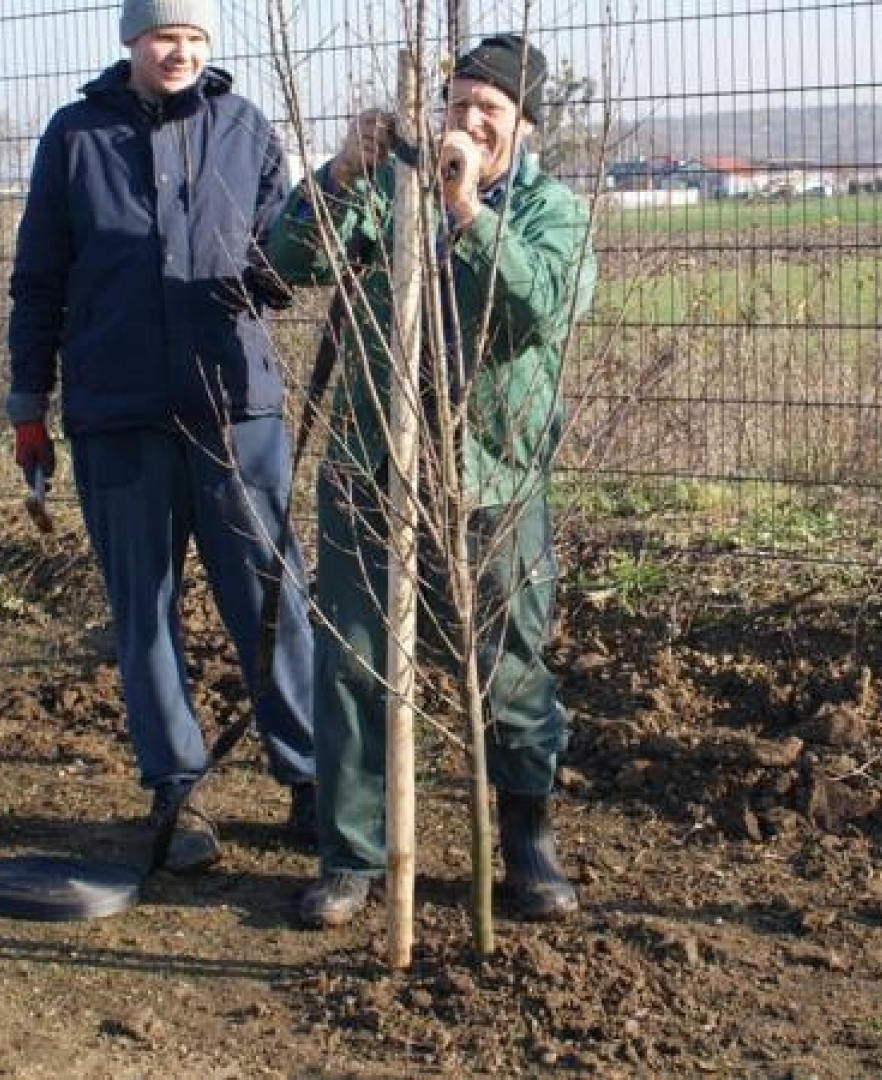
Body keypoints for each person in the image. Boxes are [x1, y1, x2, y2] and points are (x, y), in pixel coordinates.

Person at [265, 33, 597, 927]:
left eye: (491, 110)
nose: (470, 121)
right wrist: (340, 173)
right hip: (372, 465)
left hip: (494, 476)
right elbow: (276, 265)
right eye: (458, 105)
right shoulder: (388, 190)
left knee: (509, 669)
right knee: (353, 665)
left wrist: (466, 210)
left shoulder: (551, 213)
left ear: (524, 128)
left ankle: (525, 844)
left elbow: (538, 310)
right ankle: (351, 857)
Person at [5, 0, 317, 872]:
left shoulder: (245, 126)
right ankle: (176, 792)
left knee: (269, 597)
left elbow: (278, 261)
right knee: (143, 607)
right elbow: (38, 278)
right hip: (118, 411)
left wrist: (327, 213)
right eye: (161, 36)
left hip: (235, 407)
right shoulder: (76, 137)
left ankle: (313, 777)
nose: (177, 51)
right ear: (131, 42)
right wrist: (28, 401)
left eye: (191, 37)